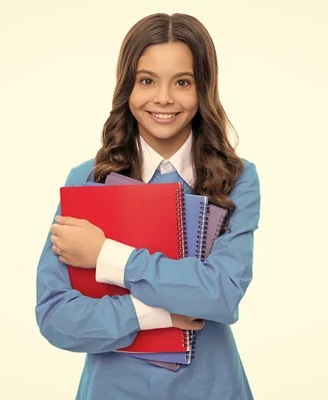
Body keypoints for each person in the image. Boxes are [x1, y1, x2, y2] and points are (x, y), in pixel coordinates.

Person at [35, 12, 261, 400]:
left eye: (183, 82)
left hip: (211, 388)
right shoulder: (87, 181)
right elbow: (56, 316)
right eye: (147, 80)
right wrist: (158, 315)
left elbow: (222, 294)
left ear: (203, 89)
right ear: (128, 88)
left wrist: (106, 255)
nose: (164, 98)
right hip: (112, 390)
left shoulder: (236, 178)